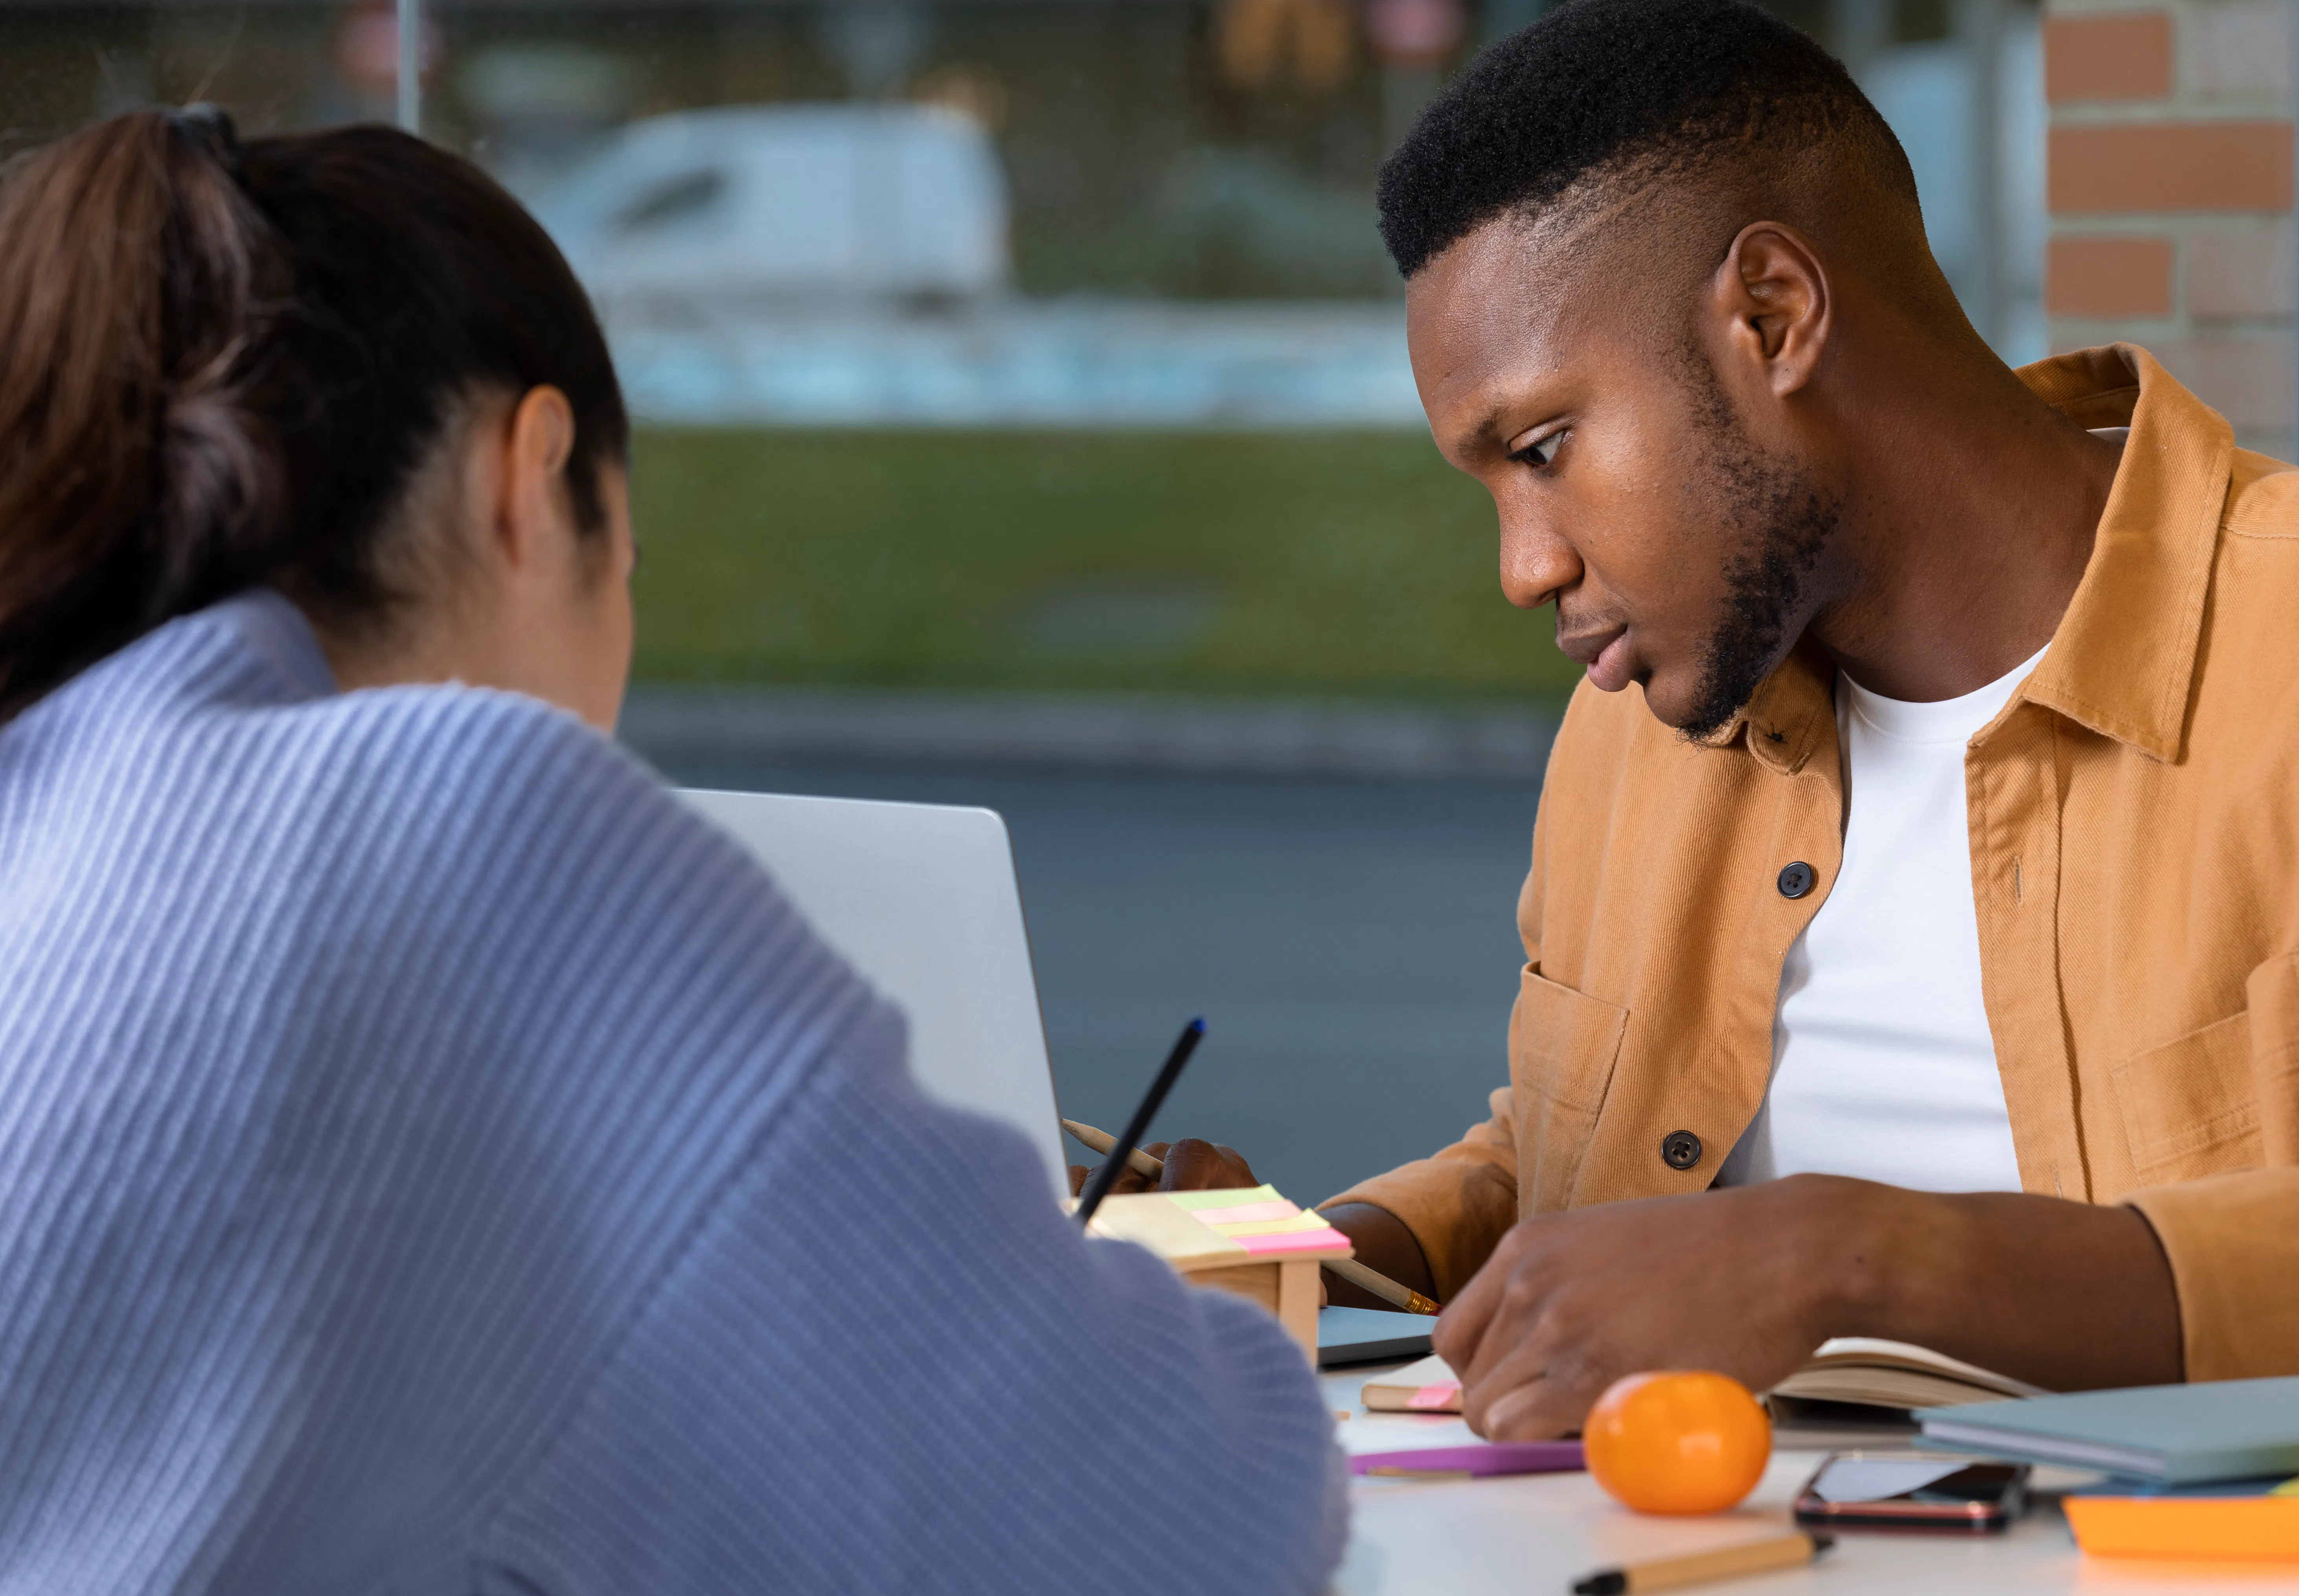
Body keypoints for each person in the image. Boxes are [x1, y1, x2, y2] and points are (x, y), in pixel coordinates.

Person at [1128, 0, 2299, 1441]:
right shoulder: (1654, 707)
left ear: (1772, 315)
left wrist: (1857, 1260)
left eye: (1546, 448)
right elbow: (1589, 1166)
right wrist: (1317, 1261)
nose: (1526, 568)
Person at [0, 108, 1343, 1593]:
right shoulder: (458, 820)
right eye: (625, 560)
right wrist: (1135, 1309)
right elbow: (1181, 1516)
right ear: (529, 479)